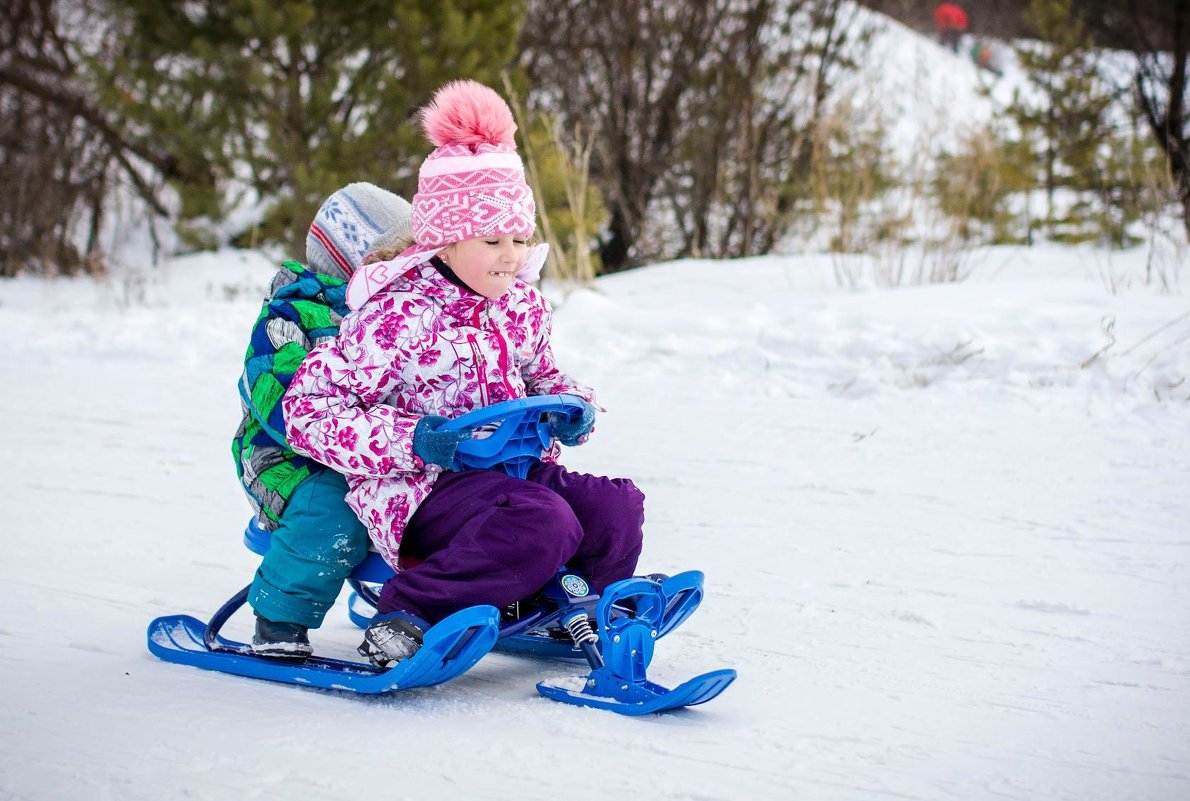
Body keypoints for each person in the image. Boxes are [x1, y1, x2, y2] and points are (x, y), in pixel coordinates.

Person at [282, 80, 645, 667]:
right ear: (446, 244)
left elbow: (544, 375)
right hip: (423, 489)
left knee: (615, 508)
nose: (512, 254)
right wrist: (416, 438)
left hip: (513, 475)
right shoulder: (398, 315)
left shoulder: (518, 305)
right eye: (493, 239)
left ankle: (574, 607)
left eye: (521, 237)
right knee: (543, 521)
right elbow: (311, 413)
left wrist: (569, 405)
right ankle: (408, 612)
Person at [233, 182, 414, 656]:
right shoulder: (290, 318)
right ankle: (280, 615)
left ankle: (417, 602)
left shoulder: (394, 313)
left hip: (370, 450)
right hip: (288, 458)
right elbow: (285, 403)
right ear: (356, 260)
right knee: (331, 506)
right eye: (397, 256)